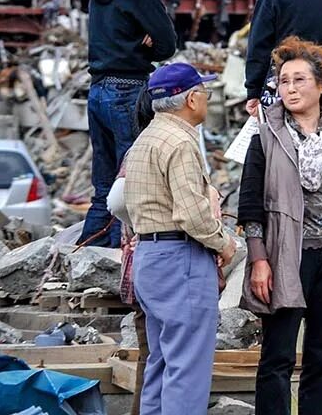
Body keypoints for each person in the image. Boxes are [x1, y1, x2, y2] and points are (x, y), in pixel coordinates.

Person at [241, 36, 322, 415]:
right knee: (277, 356)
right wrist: (259, 259)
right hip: (285, 255)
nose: (290, 88)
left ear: (321, 85)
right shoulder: (266, 135)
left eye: (299, 80)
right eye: (283, 81)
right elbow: (250, 203)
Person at [123, 61, 236, 415]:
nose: (207, 98)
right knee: (188, 367)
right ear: (190, 100)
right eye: (204, 92)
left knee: (161, 361)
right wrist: (224, 242)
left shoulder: (145, 139)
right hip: (180, 259)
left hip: (149, 258)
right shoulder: (181, 143)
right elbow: (192, 214)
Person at [83, 0, 179, 247]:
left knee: (104, 188)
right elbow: (168, 44)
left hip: (96, 91)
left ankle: (87, 262)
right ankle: (124, 267)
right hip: (127, 91)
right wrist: (145, 46)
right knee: (132, 185)